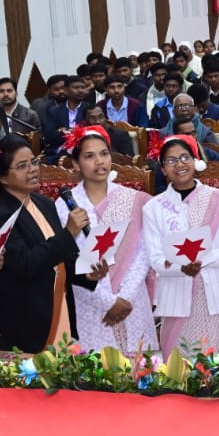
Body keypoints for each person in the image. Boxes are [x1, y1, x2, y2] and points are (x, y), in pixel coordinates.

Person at [0, 135, 105, 353]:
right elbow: (26, 263)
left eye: (34, 162)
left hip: (59, 308)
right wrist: (69, 233)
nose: (32, 170)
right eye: (22, 166)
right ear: (3, 177)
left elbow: (61, 258)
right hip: (24, 322)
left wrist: (86, 273)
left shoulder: (44, 203)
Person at [53, 126, 157, 353]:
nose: (99, 161)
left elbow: (143, 251)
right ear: (76, 164)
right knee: (99, 367)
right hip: (90, 300)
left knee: (140, 366)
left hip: (131, 298)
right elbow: (69, 258)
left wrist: (125, 297)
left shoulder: (132, 199)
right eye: (89, 156)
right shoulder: (64, 206)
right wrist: (108, 301)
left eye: (104, 154)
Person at [142, 133, 219, 355]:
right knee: (181, 369)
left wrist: (203, 259)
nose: (179, 164)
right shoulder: (153, 208)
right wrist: (181, 268)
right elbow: (156, 259)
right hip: (176, 301)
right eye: (170, 160)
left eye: (184, 157)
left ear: (195, 161)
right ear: (162, 168)